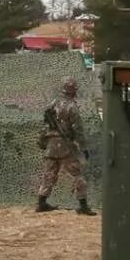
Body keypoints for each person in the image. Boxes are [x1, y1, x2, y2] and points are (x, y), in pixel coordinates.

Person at [35, 77, 93, 215]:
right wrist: (83, 146)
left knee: (49, 174)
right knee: (76, 173)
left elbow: (45, 124)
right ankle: (83, 205)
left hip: (51, 144)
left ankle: (41, 202)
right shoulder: (72, 107)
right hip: (65, 145)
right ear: (73, 92)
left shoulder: (53, 103)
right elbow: (78, 129)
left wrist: (42, 141)